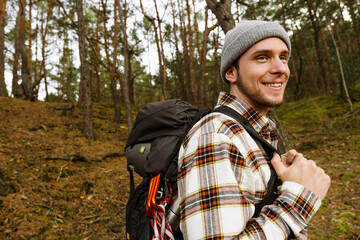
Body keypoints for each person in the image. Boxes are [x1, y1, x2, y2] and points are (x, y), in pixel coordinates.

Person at [177, 20, 331, 239]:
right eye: (262, 57)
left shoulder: (250, 132)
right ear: (231, 72)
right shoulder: (216, 135)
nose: (280, 69)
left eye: (283, 57)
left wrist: (288, 184)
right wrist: (300, 199)